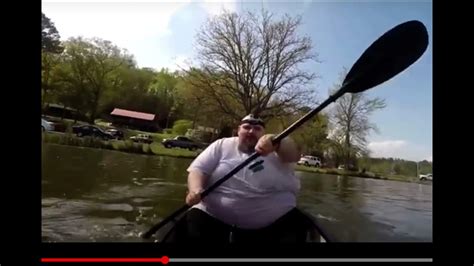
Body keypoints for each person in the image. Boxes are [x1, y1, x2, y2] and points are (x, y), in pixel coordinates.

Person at [172, 114, 313, 243]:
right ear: (238, 130)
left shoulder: (278, 148)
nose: (251, 131)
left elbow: (294, 155)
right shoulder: (221, 145)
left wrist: (275, 141)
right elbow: (198, 170)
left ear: (263, 133)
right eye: (247, 127)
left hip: (275, 224)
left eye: (257, 128)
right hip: (212, 218)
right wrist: (195, 190)